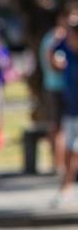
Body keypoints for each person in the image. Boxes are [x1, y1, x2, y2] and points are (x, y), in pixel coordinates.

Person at [41, 6, 72, 173]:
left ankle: (61, 163)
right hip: (56, 87)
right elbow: (55, 63)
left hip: (60, 87)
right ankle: (58, 163)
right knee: (58, 126)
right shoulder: (56, 38)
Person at [51, 20, 78, 209]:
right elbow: (52, 51)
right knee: (70, 149)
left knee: (74, 149)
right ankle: (66, 187)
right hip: (71, 108)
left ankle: (67, 186)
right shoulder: (66, 48)